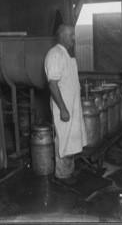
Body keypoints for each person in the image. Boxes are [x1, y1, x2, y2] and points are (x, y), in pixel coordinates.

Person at [44, 24, 87, 185]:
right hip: (64, 109)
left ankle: (68, 172)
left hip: (72, 107)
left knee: (72, 141)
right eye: (71, 35)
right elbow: (53, 85)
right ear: (62, 36)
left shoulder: (65, 54)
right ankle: (62, 177)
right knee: (64, 141)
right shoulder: (55, 55)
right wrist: (62, 108)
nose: (74, 39)